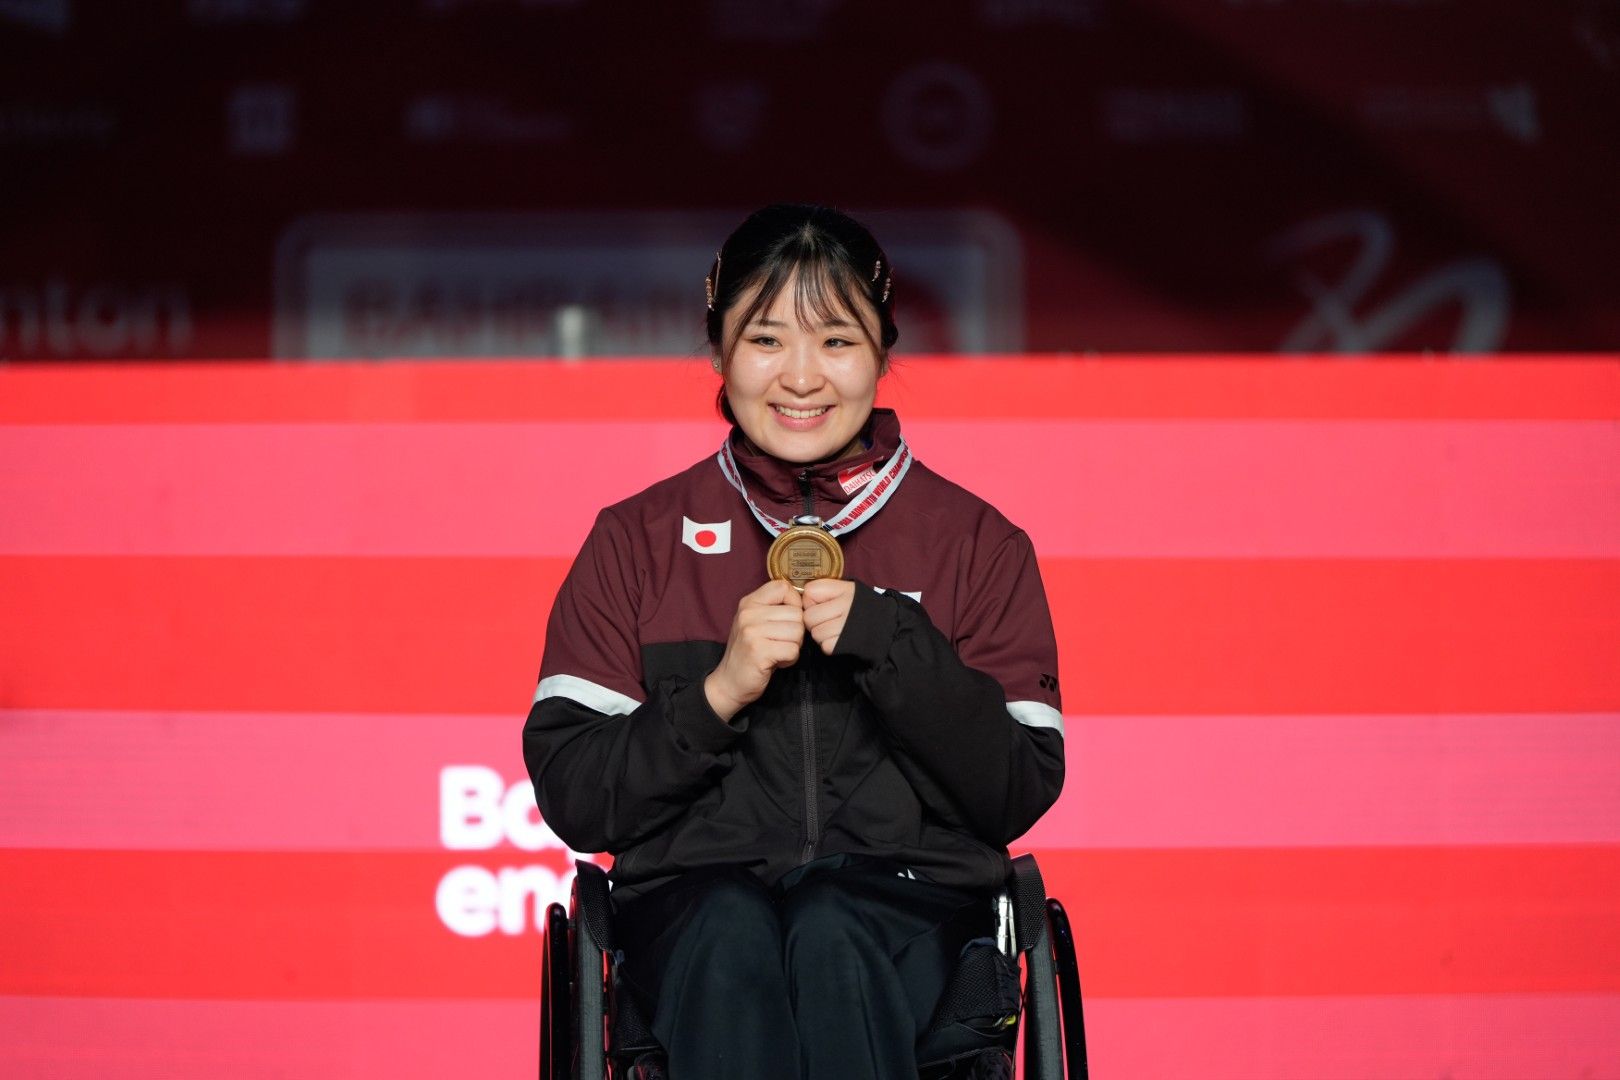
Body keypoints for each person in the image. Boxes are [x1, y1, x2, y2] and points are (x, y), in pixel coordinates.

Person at [523, 204, 1064, 1079]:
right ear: (718, 351)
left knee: (830, 926)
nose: (802, 378)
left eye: (837, 341)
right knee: (731, 927)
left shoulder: (976, 544)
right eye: (766, 340)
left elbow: (1016, 791)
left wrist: (892, 643)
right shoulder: (636, 541)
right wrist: (717, 693)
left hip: (911, 912)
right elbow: (576, 797)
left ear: (884, 352)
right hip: (693, 918)